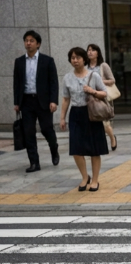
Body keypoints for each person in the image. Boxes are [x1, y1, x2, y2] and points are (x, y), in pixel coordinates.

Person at [59, 47, 109, 191]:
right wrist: (62, 118)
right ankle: (84, 177)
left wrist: (92, 91)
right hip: (75, 114)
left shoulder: (94, 75)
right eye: (72, 58)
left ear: (84, 59)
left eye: (78, 57)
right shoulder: (67, 78)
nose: (75, 60)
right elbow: (66, 99)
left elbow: (105, 93)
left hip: (91, 114)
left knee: (94, 149)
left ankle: (95, 180)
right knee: (76, 148)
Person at [13, 30, 60, 173]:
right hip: (26, 101)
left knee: (46, 129)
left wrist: (53, 101)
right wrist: (17, 102)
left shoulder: (47, 61)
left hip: (43, 101)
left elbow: (54, 82)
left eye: (31, 41)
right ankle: (34, 162)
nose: (28, 43)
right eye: (26, 40)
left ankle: (54, 149)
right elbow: (16, 83)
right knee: (29, 132)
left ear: (38, 44)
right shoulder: (19, 61)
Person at [87, 44, 118, 151]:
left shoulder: (103, 66)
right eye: (88, 50)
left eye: (93, 50)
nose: (90, 52)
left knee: (105, 123)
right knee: (91, 121)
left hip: (102, 97)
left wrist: (99, 81)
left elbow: (112, 80)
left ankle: (112, 138)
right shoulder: (85, 66)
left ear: (98, 53)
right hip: (89, 98)